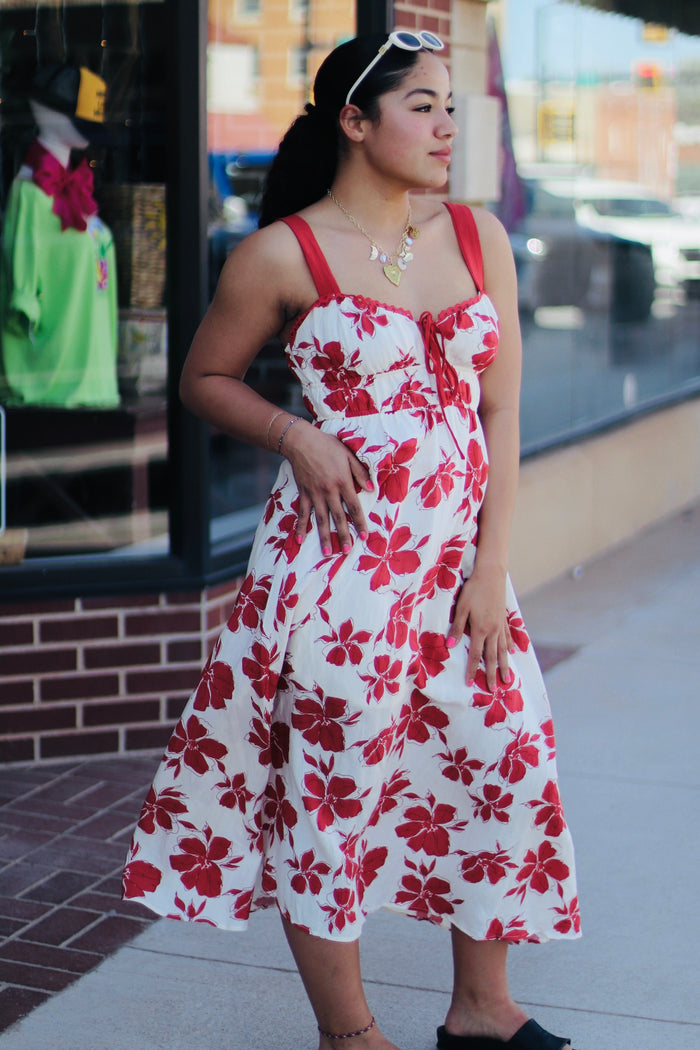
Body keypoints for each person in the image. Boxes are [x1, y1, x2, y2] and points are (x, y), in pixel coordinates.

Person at [123, 31, 581, 1050]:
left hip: (460, 575)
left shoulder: (476, 239)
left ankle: (480, 1012)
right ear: (355, 120)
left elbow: (498, 412)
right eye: (423, 106)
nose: (447, 127)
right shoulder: (281, 251)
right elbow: (206, 377)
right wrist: (296, 434)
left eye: (452, 107)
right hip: (338, 576)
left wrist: (492, 563)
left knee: (498, 760)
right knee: (333, 790)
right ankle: (351, 1035)